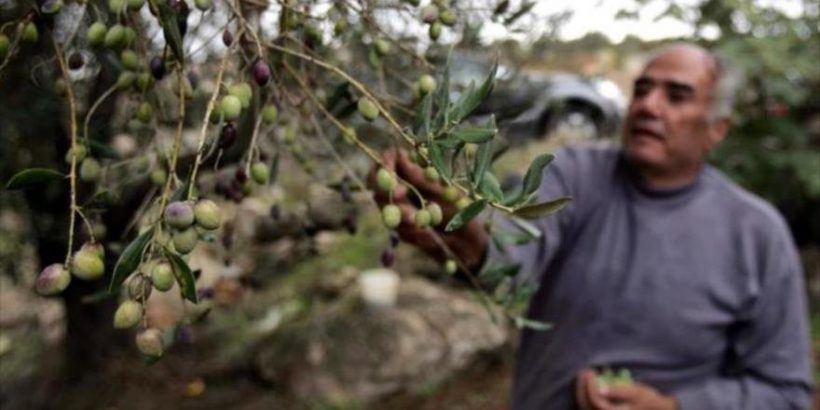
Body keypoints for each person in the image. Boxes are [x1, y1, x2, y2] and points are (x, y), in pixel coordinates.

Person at [369, 43, 814, 409]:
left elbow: (787, 393)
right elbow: (507, 254)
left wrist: (675, 406)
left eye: (675, 96)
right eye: (641, 90)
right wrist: (459, 225)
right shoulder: (570, 176)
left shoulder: (757, 234)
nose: (647, 106)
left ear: (718, 128)